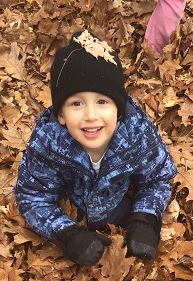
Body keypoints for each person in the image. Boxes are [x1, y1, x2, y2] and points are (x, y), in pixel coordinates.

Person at [13, 30, 178, 266]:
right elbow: (32, 194)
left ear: (118, 109)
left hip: (119, 205)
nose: (91, 115)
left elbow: (157, 178)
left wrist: (145, 219)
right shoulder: (48, 142)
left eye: (102, 102)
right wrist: (67, 234)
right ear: (61, 113)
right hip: (74, 208)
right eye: (76, 103)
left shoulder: (138, 134)